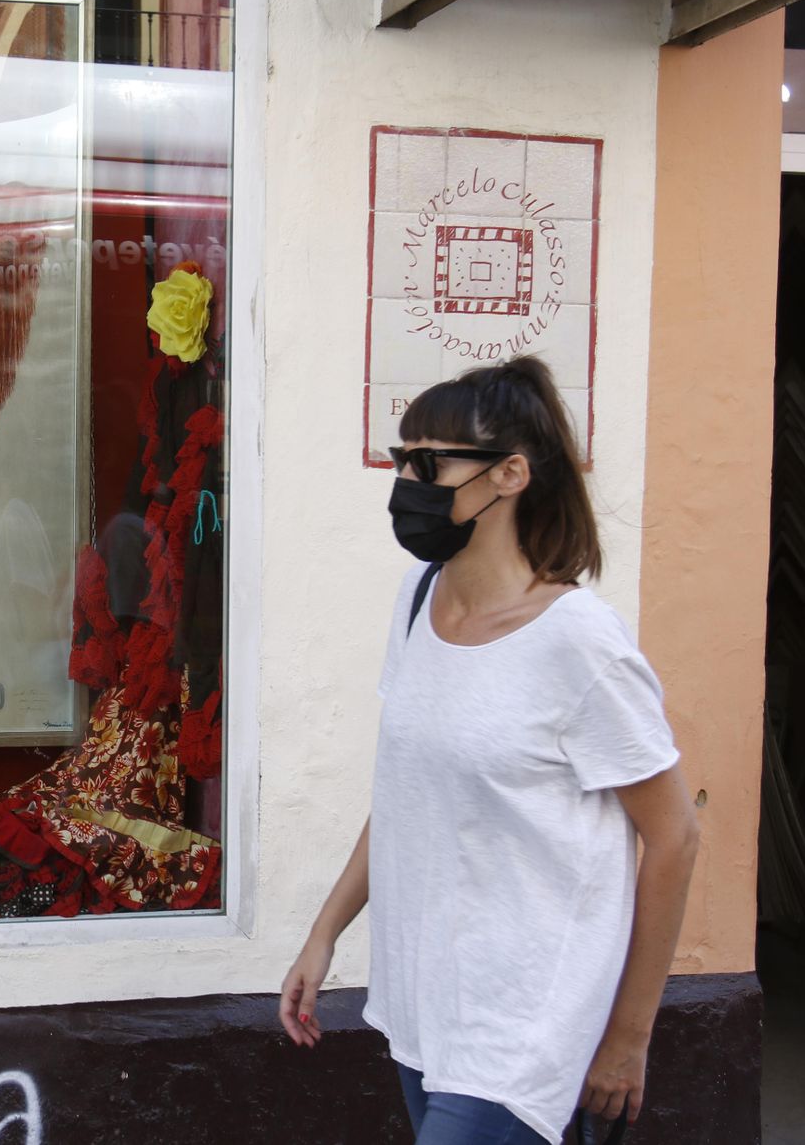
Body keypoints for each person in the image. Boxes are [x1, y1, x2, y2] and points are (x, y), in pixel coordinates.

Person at [279, 356, 699, 1145]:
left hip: (524, 1018)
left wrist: (628, 1038)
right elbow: (406, 793)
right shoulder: (419, 600)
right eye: (404, 459)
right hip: (424, 997)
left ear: (511, 475)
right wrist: (324, 932)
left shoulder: (579, 642)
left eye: (429, 462)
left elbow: (675, 837)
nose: (408, 480)